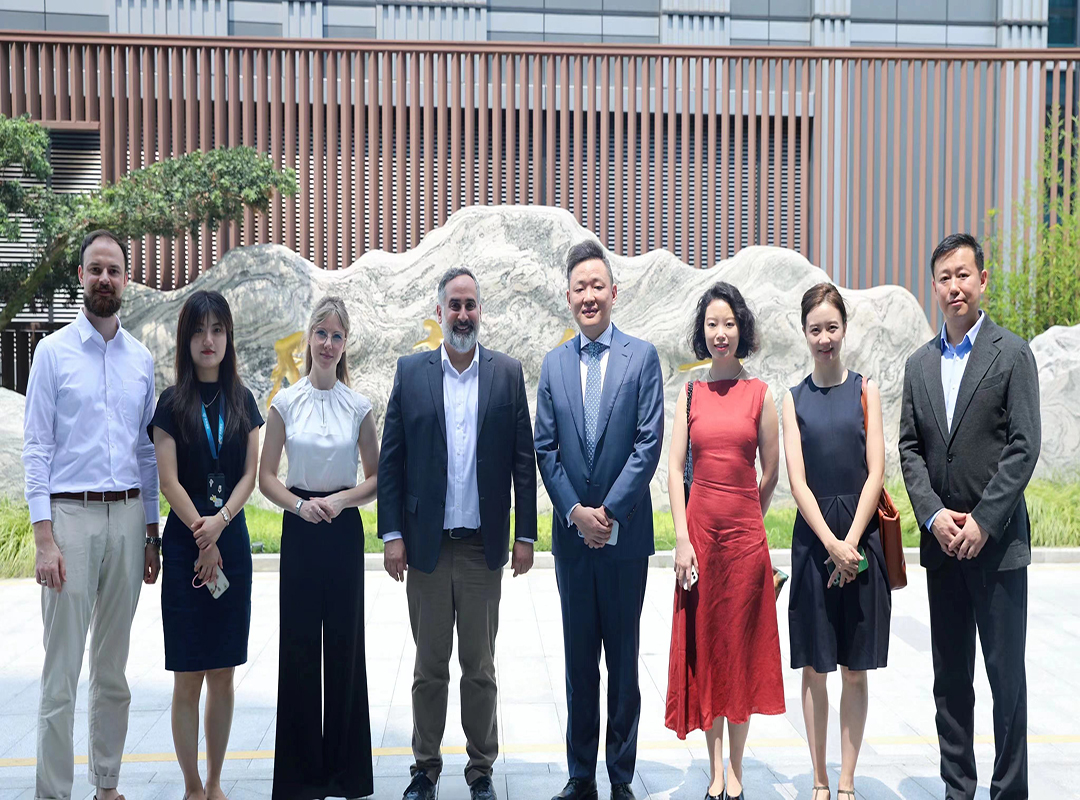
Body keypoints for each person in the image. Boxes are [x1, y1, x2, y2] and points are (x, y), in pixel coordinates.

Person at [378, 266, 537, 800]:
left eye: (471, 305)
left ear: (480, 310)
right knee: (428, 668)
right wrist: (391, 534)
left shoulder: (506, 374)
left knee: (479, 667)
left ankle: (481, 769)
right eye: (454, 305)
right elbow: (392, 460)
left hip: (480, 548)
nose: (463, 314)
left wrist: (526, 535)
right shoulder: (412, 372)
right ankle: (424, 768)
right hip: (424, 547)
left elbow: (523, 461)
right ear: (440, 310)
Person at [899, 233, 1040, 800]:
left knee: (1006, 681)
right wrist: (934, 518)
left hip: (998, 547)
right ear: (933, 288)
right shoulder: (919, 364)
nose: (954, 286)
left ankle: (1009, 793)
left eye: (963, 274)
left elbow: (1023, 447)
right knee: (950, 680)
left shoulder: (1012, 354)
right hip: (943, 548)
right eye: (943, 277)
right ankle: (958, 788)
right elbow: (910, 450)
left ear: (982, 280)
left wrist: (983, 520)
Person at [22, 229, 161, 800]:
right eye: (95, 269)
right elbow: (36, 448)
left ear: (125, 280)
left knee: (113, 672)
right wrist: (44, 538)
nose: (105, 279)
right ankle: (53, 793)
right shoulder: (51, 353)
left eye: (114, 270)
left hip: (128, 519)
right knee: (60, 675)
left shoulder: (142, 359)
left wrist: (152, 531)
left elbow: (149, 450)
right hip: (70, 521)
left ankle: (107, 785)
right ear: (80, 277)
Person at [535, 240, 664, 800]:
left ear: (614, 292)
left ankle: (621, 775)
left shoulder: (643, 358)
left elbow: (648, 443)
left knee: (625, 664)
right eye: (579, 287)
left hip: (623, 540)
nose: (589, 296)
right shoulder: (554, 364)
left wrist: (606, 514)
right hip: (573, 541)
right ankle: (579, 774)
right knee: (578, 662)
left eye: (597, 286)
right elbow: (546, 449)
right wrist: (574, 513)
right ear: (568, 298)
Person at [665, 281, 785, 800]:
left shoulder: (760, 395)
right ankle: (713, 767)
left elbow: (772, 473)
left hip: (743, 544)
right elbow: (672, 470)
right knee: (706, 649)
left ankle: (736, 767)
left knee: (738, 651)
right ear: (702, 332)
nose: (721, 333)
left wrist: (745, 518)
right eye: (712, 324)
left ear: (742, 331)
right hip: (699, 542)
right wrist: (682, 538)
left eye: (729, 324)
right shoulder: (689, 393)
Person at [259, 295, 380, 800]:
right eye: (321, 334)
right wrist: (300, 506)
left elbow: (376, 479)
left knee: (346, 647)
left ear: (345, 344)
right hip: (302, 528)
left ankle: (346, 774)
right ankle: (301, 774)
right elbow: (266, 478)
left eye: (337, 336)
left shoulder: (360, 406)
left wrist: (341, 500)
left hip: (343, 529)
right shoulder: (285, 402)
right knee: (301, 646)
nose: (328, 344)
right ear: (308, 338)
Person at [149, 290, 263, 800]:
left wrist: (220, 524)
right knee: (188, 674)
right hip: (184, 545)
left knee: (222, 672)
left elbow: (249, 476)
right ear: (186, 339)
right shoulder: (171, 404)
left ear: (229, 337)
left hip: (230, 542)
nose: (208, 340)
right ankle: (192, 787)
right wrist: (202, 530)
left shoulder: (244, 401)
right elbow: (169, 482)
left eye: (217, 329)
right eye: (199, 330)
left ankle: (216, 783)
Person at [782, 283, 891, 800]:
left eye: (832, 327)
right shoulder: (792, 399)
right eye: (815, 329)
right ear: (804, 333)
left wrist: (849, 544)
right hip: (813, 543)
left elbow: (876, 473)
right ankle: (819, 780)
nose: (825, 338)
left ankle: (846, 780)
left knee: (853, 668)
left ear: (844, 329)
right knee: (814, 667)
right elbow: (797, 481)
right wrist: (830, 544)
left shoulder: (866, 390)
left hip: (860, 539)